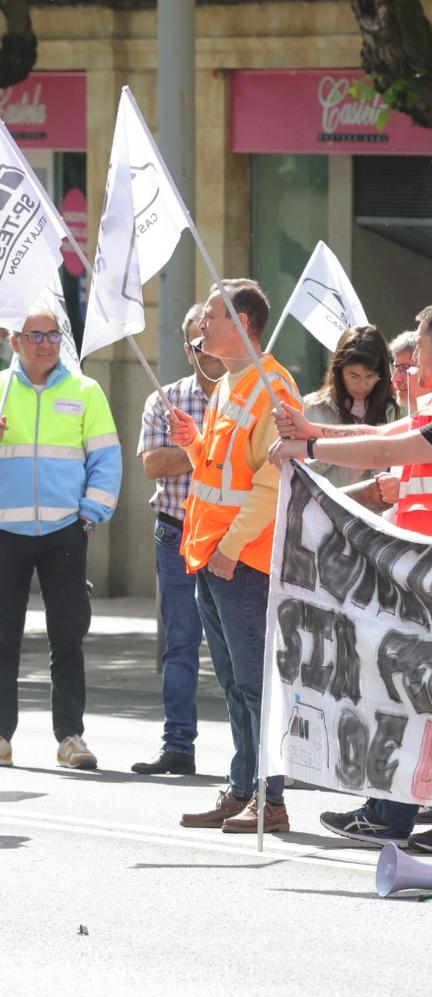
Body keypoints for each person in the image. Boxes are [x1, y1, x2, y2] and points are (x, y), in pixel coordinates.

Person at [281, 300, 432, 855]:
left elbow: (394, 447)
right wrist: (313, 427)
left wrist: (311, 446)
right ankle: (391, 813)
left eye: (417, 346)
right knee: (413, 694)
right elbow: (399, 429)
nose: (411, 358)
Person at [169, 280, 301, 832]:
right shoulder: (231, 384)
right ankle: (243, 788)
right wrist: (195, 444)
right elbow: (226, 471)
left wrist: (227, 549)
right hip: (215, 557)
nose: (201, 327)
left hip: (240, 560)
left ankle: (270, 802)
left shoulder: (272, 387)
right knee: (233, 683)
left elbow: (273, 484)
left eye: (212, 318)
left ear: (242, 322)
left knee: (254, 685)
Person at [0, 303, 122, 771]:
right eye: (36, 335)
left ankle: (70, 736)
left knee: (67, 639)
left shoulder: (86, 391)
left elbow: (106, 460)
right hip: (5, 534)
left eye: (53, 334)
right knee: (2, 638)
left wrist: (89, 515)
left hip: (65, 533)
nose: (46, 343)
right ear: (15, 342)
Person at [131, 303, 222, 775]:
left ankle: (257, 761)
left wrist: (186, 449)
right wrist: (208, 447)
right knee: (181, 640)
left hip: (231, 536)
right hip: (177, 530)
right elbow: (153, 466)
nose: (208, 349)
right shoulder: (163, 400)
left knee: (239, 648)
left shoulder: (247, 399)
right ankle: (178, 746)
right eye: (198, 342)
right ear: (188, 349)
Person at [301, 324, 399, 508]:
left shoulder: (397, 411)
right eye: (354, 376)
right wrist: (337, 451)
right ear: (339, 371)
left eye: (370, 376)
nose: (362, 384)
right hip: (325, 516)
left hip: (377, 523)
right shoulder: (311, 408)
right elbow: (298, 471)